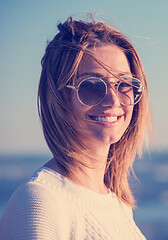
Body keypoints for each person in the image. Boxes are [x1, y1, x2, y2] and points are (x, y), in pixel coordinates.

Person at [0, 15, 151, 239]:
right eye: (91, 85)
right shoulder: (41, 201)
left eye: (124, 84)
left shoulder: (117, 204)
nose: (113, 100)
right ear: (59, 97)